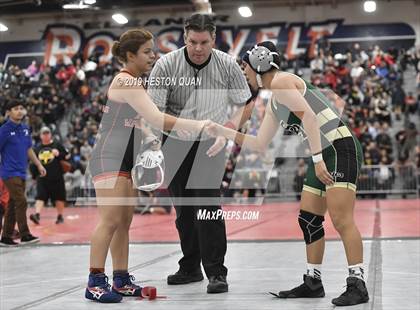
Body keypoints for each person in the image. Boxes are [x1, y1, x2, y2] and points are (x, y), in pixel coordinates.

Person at [206, 41, 369, 306]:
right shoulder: (273, 100)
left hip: (339, 148)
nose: (245, 74)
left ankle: (357, 283)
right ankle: (313, 281)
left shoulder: (282, 82)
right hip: (323, 153)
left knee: (341, 219)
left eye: (246, 67)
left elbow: (310, 118)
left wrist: (316, 160)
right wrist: (222, 132)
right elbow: (259, 144)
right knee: (309, 219)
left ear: (259, 63)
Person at [86, 28, 211, 303]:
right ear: (130, 55)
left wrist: (151, 139)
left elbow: (142, 121)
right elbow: (156, 116)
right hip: (109, 156)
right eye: (146, 52)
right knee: (109, 221)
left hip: (126, 158)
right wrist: (199, 124)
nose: (153, 56)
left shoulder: (134, 83)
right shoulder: (126, 81)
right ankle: (95, 281)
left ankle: (120, 279)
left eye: (152, 50)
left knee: (123, 223)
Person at [147, 13, 255, 294]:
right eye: (193, 41)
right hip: (174, 143)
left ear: (213, 40)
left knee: (207, 208)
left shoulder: (228, 64)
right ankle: (191, 267)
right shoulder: (165, 65)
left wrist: (227, 129)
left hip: (211, 144)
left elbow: (247, 104)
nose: (198, 48)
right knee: (183, 211)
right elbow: (153, 112)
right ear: (184, 37)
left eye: (204, 42)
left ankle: (216, 273)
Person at [0, 101, 46, 247]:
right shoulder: (4, 130)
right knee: (22, 201)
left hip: (21, 172)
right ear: (9, 112)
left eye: (21, 108)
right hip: (8, 172)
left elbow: (28, 149)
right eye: (16, 109)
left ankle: (6, 237)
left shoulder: (26, 129)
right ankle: (25, 235)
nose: (19, 111)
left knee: (13, 203)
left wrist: (39, 164)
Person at [29, 126, 69, 225]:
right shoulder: (37, 149)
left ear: (50, 134)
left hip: (57, 176)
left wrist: (58, 154)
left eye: (47, 133)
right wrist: (34, 176)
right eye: (44, 133)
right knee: (40, 196)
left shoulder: (57, 144)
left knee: (59, 197)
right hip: (42, 177)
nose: (46, 135)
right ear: (40, 136)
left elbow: (67, 156)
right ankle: (37, 215)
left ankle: (60, 216)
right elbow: (33, 163)